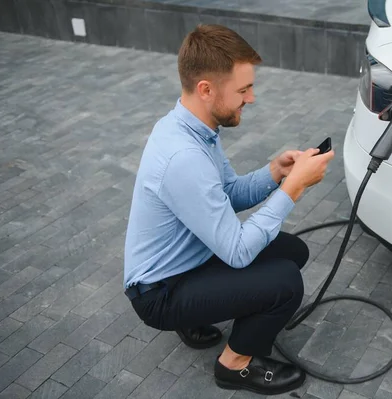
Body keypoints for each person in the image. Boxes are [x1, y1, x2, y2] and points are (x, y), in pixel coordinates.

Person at [123, 24, 334, 395]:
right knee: (285, 284)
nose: (251, 98)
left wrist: (275, 172)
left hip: (189, 258)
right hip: (159, 293)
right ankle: (233, 365)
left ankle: (204, 313)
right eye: (243, 89)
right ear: (206, 89)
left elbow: (229, 192)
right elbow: (237, 252)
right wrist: (293, 187)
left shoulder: (194, 127)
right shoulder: (184, 157)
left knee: (292, 252)